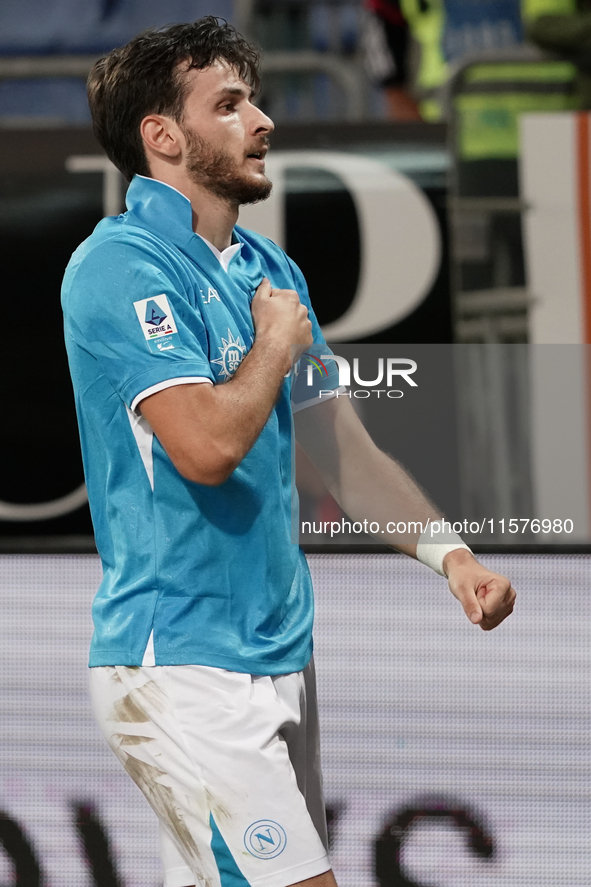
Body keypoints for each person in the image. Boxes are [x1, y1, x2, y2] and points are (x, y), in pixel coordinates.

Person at [61, 17, 516, 887]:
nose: (262, 120)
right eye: (228, 105)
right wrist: (272, 345)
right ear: (162, 136)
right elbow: (201, 449)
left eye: (254, 100)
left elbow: (341, 454)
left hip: (278, 654)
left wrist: (451, 556)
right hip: (182, 663)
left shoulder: (268, 269)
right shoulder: (120, 264)